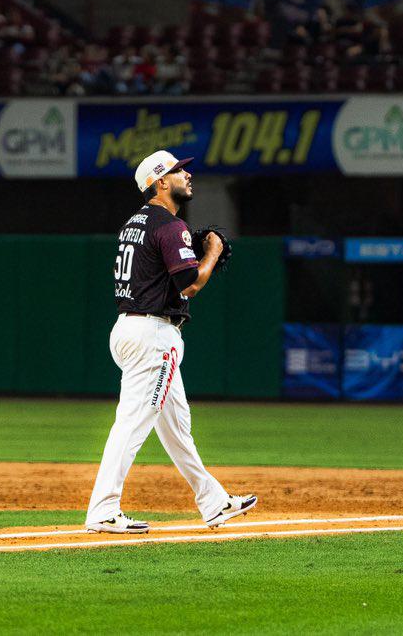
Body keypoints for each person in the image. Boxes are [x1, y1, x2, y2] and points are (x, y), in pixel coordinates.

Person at [85, 150, 257, 534]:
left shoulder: (135, 223)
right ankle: (102, 508)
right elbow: (190, 284)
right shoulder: (169, 225)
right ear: (161, 181)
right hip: (153, 335)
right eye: (179, 170)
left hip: (133, 327)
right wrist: (210, 253)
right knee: (132, 423)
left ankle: (213, 501)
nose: (188, 174)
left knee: (178, 428)